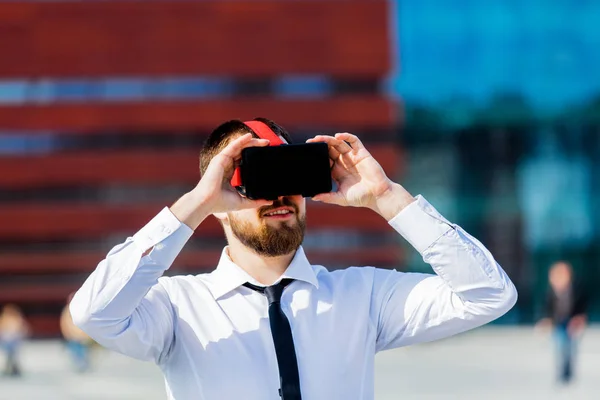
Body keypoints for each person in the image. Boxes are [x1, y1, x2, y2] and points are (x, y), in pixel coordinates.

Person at [70, 118, 517, 399]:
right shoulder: (177, 309)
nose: (279, 196)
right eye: (257, 181)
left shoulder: (361, 296)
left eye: (288, 173)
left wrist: (388, 198)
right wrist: (193, 204)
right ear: (217, 198)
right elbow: (94, 313)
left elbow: (490, 295)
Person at [536, 261, 588, 384]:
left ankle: (569, 371)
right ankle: (561, 372)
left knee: (570, 347)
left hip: (571, 322)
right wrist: (546, 321)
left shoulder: (577, 289)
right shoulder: (550, 292)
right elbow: (547, 309)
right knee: (559, 346)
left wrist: (579, 318)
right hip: (558, 322)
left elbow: (582, 305)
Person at [60, 293, 94, 373]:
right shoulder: (67, 311)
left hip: (82, 335)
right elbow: (65, 323)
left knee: (83, 350)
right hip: (72, 335)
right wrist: (66, 333)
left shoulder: (83, 309)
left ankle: (84, 364)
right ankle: (80, 364)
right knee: (76, 351)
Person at [0, 304, 29, 377]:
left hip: (14, 342)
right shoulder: (3, 319)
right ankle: (11, 368)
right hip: (7, 342)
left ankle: (14, 368)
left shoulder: (17, 319)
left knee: (13, 356)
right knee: (10, 356)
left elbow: (24, 330)